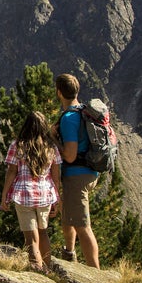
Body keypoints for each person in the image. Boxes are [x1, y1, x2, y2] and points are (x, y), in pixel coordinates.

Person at [0, 111, 62, 271]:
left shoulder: (17, 145)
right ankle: (48, 270)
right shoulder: (51, 148)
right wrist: (58, 199)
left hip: (24, 195)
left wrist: (4, 195)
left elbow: (12, 172)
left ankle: (37, 269)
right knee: (43, 233)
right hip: (45, 195)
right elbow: (56, 177)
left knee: (31, 238)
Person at [55, 73, 100, 268]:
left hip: (76, 175)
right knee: (69, 215)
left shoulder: (69, 118)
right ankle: (69, 254)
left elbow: (70, 155)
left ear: (59, 93)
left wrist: (54, 139)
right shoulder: (83, 112)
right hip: (90, 171)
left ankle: (95, 273)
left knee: (83, 226)